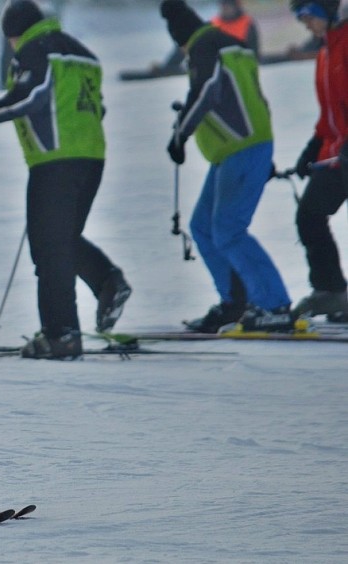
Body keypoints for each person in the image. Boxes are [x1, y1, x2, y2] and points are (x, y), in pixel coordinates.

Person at [0, 0, 132, 360]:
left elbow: (33, 94)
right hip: (92, 158)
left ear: (13, 34)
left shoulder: (35, 50)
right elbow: (96, 107)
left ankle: (62, 336)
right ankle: (107, 282)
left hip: (56, 162)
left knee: (49, 250)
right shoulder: (81, 52)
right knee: (63, 240)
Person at [160, 0, 294, 333]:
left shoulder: (204, 46)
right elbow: (251, 98)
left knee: (229, 230)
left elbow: (204, 91)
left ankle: (274, 305)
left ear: (180, 37)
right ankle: (237, 302)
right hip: (240, 149)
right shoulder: (228, 44)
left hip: (243, 149)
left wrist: (180, 135)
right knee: (203, 226)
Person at [287, 0, 348, 322]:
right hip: (337, 153)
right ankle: (331, 292)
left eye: (307, 17)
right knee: (309, 215)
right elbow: (330, 114)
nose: (304, 24)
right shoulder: (325, 52)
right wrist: (312, 149)